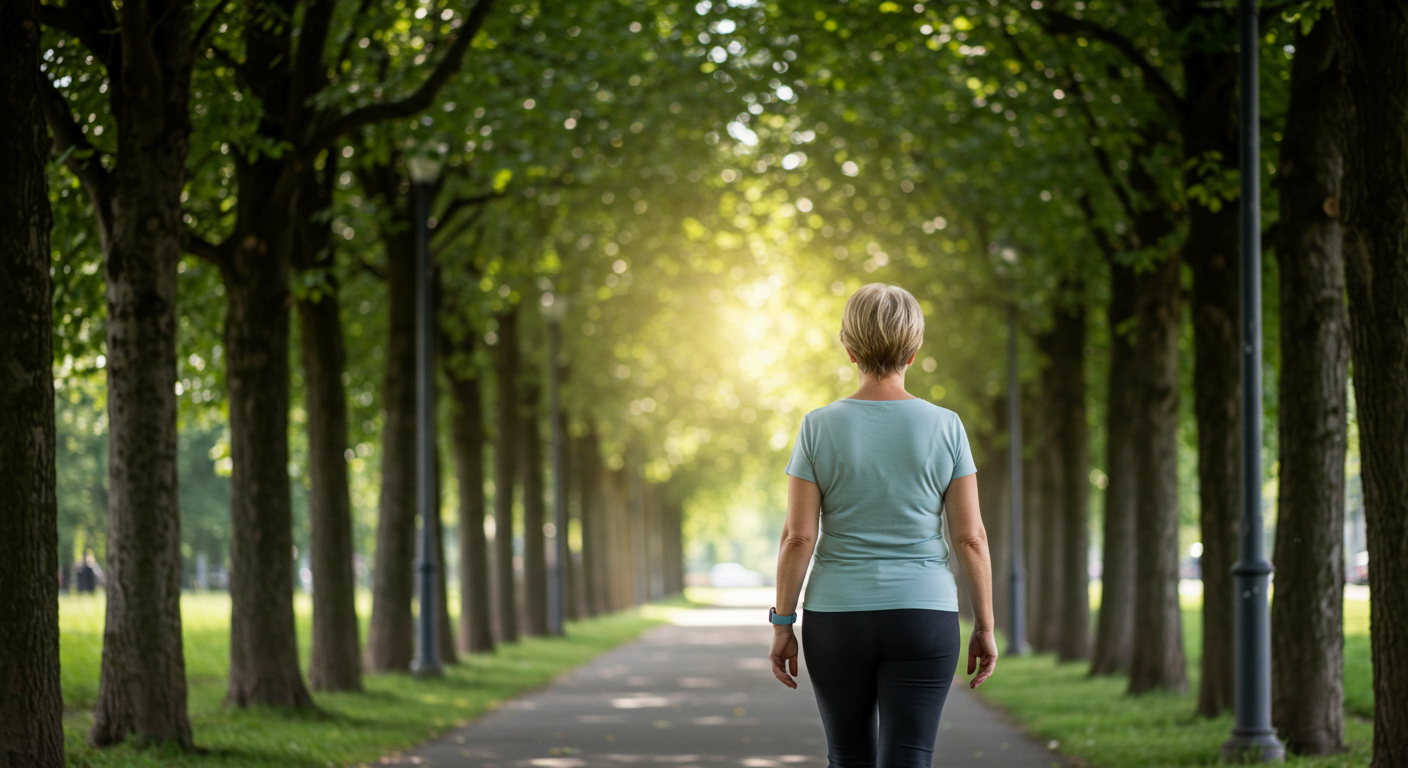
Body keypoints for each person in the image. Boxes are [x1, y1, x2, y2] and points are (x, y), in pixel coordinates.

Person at [768, 282, 998, 768]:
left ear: (849, 350)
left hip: (837, 618)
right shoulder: (947, 426)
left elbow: (798, 538)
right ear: (914, 352)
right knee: (910, 760)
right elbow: (970, 539)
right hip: (924, 615)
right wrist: (985, 625)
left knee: (848, 758)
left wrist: (783, 624)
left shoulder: (818, 426)